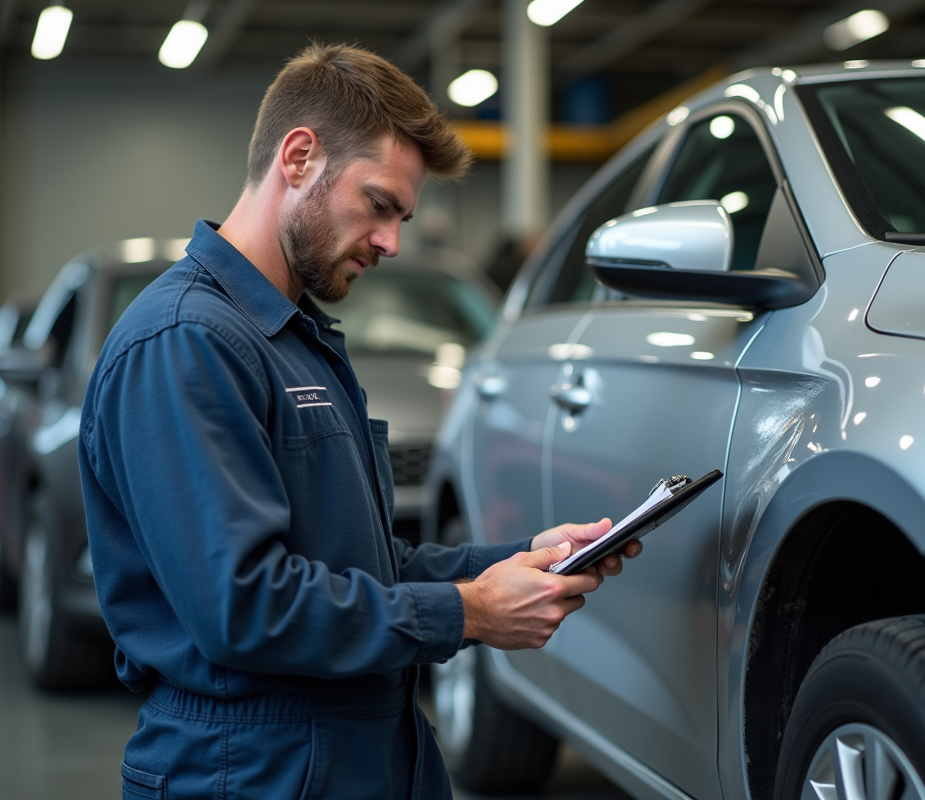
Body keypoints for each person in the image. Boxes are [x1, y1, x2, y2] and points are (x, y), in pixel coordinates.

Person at [78, 42, 639, 800]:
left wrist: (520, 561)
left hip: (358, 747)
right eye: (379, 205)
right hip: (251, 766)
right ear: (299, 158)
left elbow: (363, 569)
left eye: (402, 217)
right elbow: (243, 608)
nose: (391, 242)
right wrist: (469, 614)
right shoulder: (187, 342)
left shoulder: (295, 341)